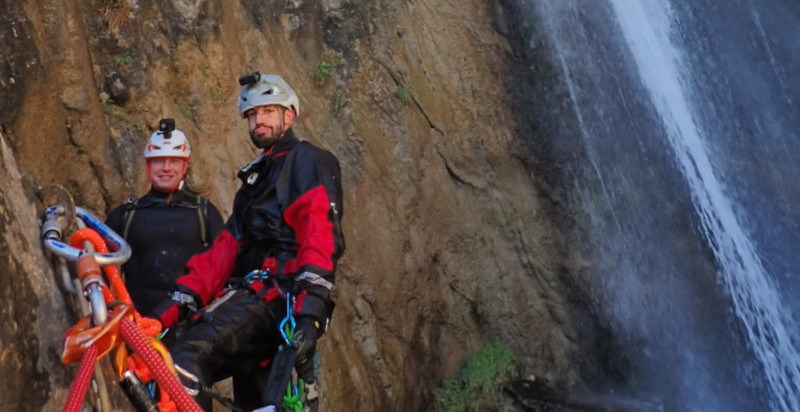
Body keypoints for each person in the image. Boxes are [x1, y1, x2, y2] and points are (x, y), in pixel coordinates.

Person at [151, 73, 345, 411]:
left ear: (289, 115)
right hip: (253, 300)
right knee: (250, 400)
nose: (258, 121)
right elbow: (223, 253)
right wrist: (163, 314)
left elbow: (319, 233)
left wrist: (310, 313)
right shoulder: (255, 181)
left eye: (268, 111)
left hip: (280, 299)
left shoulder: (307, 160)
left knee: (183, 356)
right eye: (252, 114)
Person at [106, 119, 225, 318]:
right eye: (159, 161)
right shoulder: (124, 216)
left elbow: (224, 271)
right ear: (147, 166)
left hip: (195, 326)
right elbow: (101, 277)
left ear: (185, 166)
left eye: (174, 161)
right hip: (140, 326)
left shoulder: (204, 213)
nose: (166, 168)